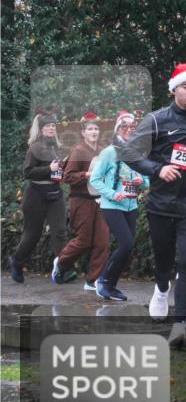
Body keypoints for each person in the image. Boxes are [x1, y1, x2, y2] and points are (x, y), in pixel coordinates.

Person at [120, 61, 186, 348]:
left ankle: (180, 325)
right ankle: (162, 287)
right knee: (164, 259)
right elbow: (129, 152)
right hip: (161, 204)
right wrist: (157, 169)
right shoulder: (157, 120)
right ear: (174, 90)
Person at [90, 111, 149, 301]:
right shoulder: (109, 152)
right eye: (125, 127)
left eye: (132, 127)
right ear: (118, 130)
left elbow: (147, 180)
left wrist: (143, 181)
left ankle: (110, 286)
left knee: (128, 247)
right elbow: (95, 179)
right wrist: (113, 194)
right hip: (112, 205)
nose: (129, 130)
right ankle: (104, 281)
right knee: (126, 243)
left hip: (131, 205)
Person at [9, 113, 69, 283]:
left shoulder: (57, 146)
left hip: (55, 193)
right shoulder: (34, 148)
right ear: (41, 129)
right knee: (32, 234)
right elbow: (27, 172)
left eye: (53, 126)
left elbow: (57, 170)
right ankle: (17, 261)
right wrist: (49, 169)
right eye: (48, 126)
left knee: (60, 231)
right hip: (35, 195)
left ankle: (63, 269)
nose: (51, 129)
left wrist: (61, 170)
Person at [53, 113, 110, 290]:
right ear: (83, 132)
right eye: (90, 129)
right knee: (84, 240)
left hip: (100, 200)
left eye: (96, 129)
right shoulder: (78, 150)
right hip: (81, 200)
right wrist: (87, 174)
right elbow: (67, 176)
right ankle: (61, 262)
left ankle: (93, 280)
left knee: (103, 242)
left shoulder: (102, 149)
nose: (94, 131)